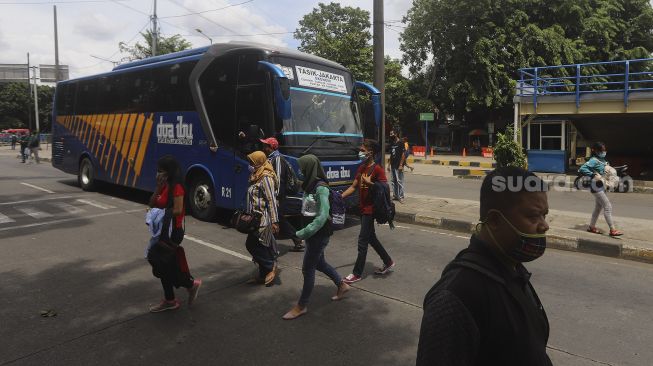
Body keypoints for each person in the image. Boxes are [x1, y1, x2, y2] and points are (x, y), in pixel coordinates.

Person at [417, 167, 552, 366]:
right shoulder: (455, 298)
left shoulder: (513, 269)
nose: (544, 226)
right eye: (533, 217)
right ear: (495, 220)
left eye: (544, 215)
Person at [282, 154, 350, 320]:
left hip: (318, 234)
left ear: (309, 168)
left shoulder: (321, 188)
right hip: (313, 234)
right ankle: (342, 284)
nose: (300, 170)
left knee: (308, 269)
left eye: (302, 167)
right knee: (319, 263)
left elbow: (322, 216)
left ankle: (301, 306)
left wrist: (302, 233)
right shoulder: (309, 185)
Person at [147, 156, 202, 313]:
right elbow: (151, 203)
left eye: (161, 171)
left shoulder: (177, 187)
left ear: (169, 172)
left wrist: (158, 213)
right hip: (161, 231)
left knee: (158, 259)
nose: (158, 174)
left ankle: (186, 288)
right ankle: (177, 294)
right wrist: (158, 187)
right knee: (164, 264)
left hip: (172, 232)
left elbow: (178, 209)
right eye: (157, 171)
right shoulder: (164, 185)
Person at [341, 139, 395, 284]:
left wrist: (371, 183)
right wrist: (339, 197)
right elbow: (354, 186)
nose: (360, 152)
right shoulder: (361, 167)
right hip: (362, 208)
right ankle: (388, 261)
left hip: (371, 210)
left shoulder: (377, 169)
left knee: (362, 241)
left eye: (363, 150)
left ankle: (357, 273)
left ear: (371, 152)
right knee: (371, 238)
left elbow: (385, 188)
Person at [261, 137, 304, 252]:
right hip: (275, 195)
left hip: (278, 195)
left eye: (266, 146)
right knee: (277, 218)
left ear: (271, 148)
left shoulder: (278, 159)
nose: (264, 147)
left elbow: (279, 179)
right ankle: (295, 239)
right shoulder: (271, 158)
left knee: (277, 218)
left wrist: (276, 197)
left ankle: (296, 238)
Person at [245, 151, 280, 286]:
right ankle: (262, 275)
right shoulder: (256, 175)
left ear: (259, 162)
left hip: (263, 218)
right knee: (260, 245)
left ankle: (271, 265)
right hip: (254, 217)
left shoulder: (266, 177)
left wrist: (275, 221)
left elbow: (271, 200)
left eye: (252, 163)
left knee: (252, 244)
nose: (250, 165)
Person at [578, 141, 623, 236]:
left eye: (605, 149)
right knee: (608, 206)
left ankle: (591, 227)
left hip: (602, 186)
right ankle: (612, 230)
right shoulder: (594, 160)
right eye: (602, 150)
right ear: (596, 151)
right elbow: (582, 168)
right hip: (596, 186)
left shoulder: (603, 160)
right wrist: (593, 174)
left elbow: (605, 171)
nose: (604, 151)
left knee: (598, 208)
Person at [387, 132, 406, 202]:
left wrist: (401, 165)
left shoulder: (401, 143)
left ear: (396, 134)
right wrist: (388, 165)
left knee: (399, 181)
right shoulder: (392, 143)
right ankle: (395, 195)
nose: (391, 135)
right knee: (393, 181)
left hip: (398, 166)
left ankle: (401, 196)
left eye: (392, 134)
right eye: (390, 134)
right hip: (392, 165)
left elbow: (403, 155)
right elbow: (391, 155)